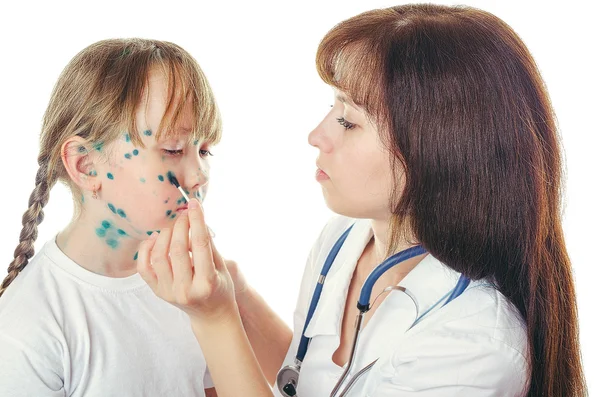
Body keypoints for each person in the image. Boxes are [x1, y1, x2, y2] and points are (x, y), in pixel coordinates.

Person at [138, 4, 589, 397]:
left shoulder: (475, 341)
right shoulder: (343, 241)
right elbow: (308, 383)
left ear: (435, 150)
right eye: (332, 108)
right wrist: (239, 298)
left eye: (349, 122)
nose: (317, 136)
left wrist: (214, 319)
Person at [0, 38, 223, 396]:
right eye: (172, 149)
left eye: (205, 149)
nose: (198, 175)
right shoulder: (26, 331)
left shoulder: (192, 287)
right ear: (85, 164)